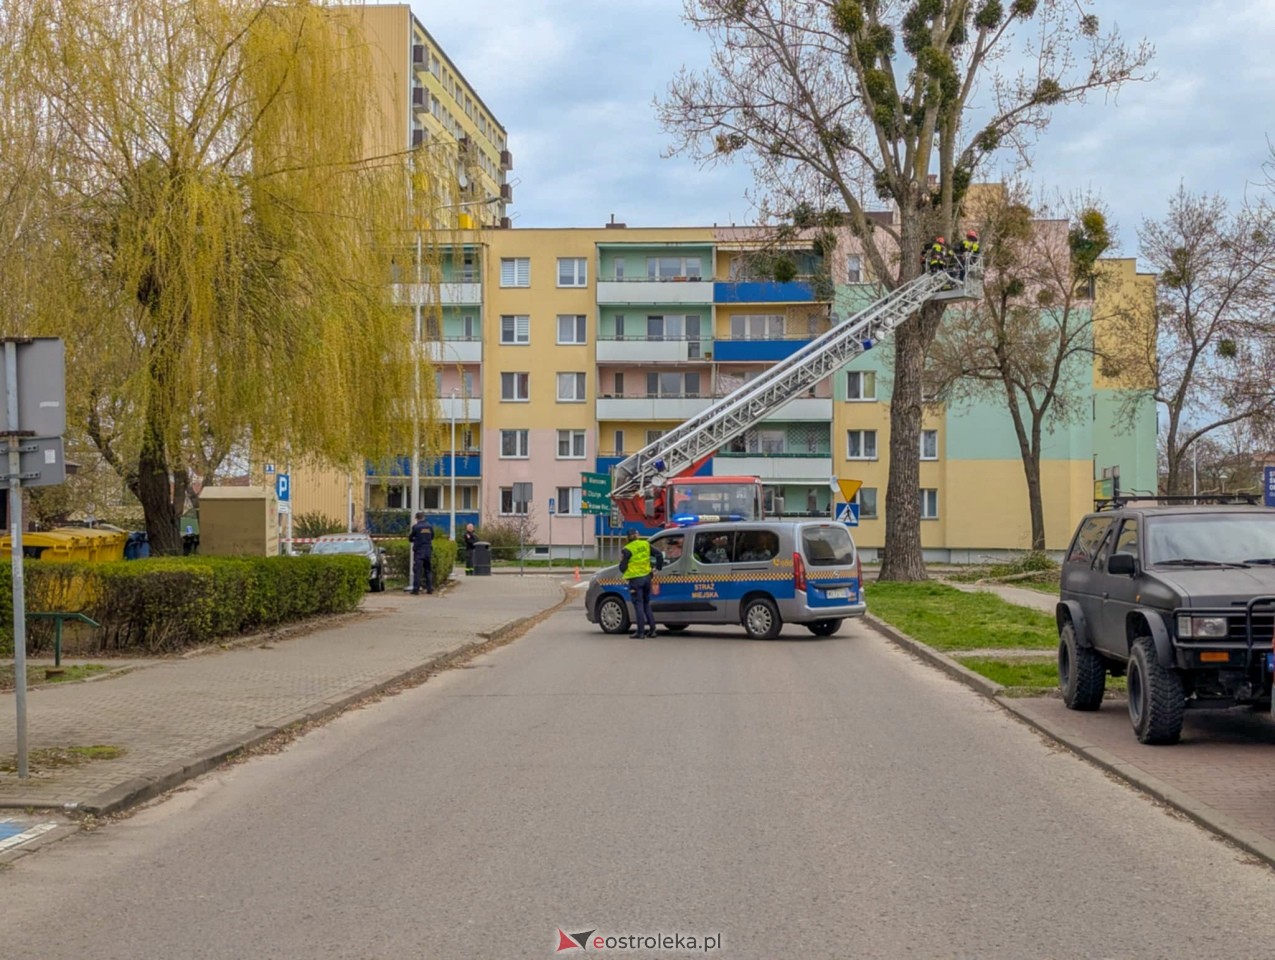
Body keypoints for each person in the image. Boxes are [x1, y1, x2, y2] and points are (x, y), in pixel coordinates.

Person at [619, 529, 662, 638]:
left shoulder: (627, 549)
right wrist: (657, 568)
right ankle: (653, 630)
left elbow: (622, 568)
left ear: (628, 537)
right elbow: (659, 555)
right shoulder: (646, 544)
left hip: (635, 581)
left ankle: (640, 632)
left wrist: (623, 563)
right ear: (637, 536)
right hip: (647, 578)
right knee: (646, 603)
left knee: (638, 605)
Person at [407, 511, 434, 595]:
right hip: (428, 550)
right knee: (428, 570)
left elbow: (411, 538)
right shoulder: (430, 526)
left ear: (417, 518)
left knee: (417, 570)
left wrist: (415, 539)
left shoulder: (416, 527)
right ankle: (429, 589)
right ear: (424, 517)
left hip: (419, 551)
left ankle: (416, 590)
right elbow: (432, 536)